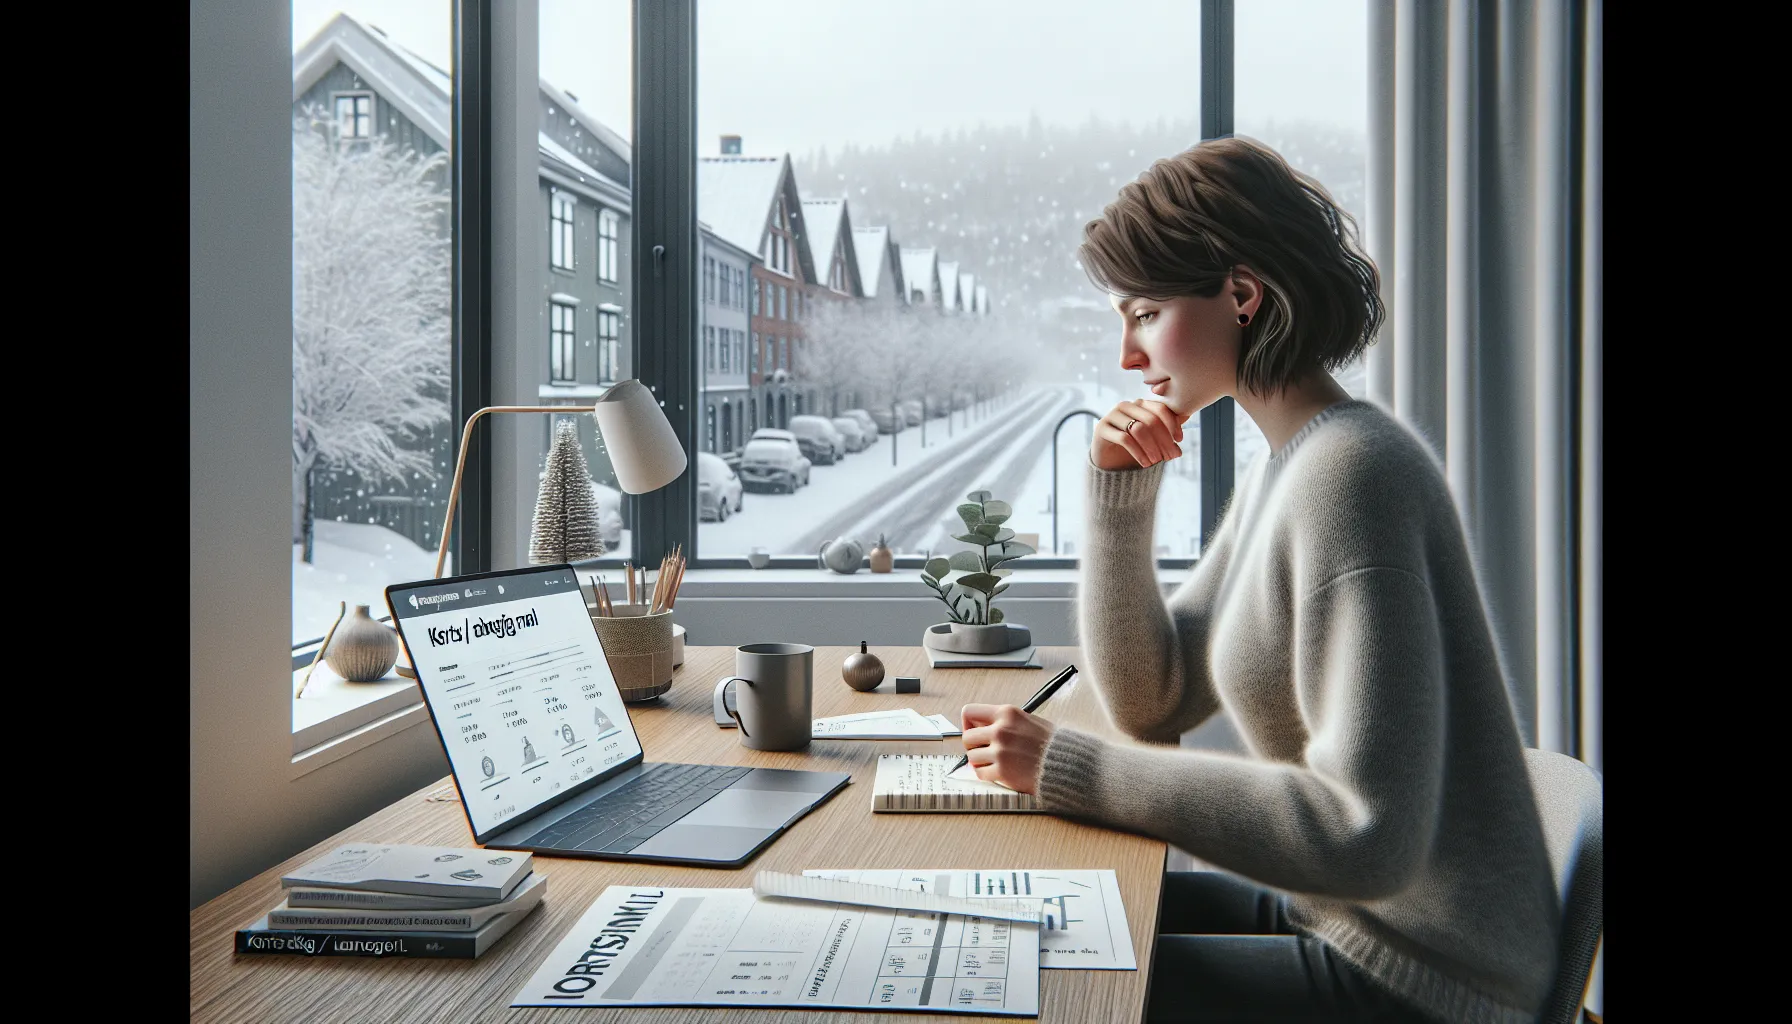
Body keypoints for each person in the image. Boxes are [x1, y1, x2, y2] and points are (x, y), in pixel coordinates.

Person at [958, 137, 1559, 1023]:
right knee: (1020, 940)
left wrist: (1069, 768)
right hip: (1354, 923)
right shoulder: (1297, 465)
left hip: (1426, 977)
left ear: (1240, 296)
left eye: (1144, 312)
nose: (1128, 355)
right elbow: (1153, 699)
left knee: (1038, 987)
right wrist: (1120, 495)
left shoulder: (1353, 477)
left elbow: (1364, 836)